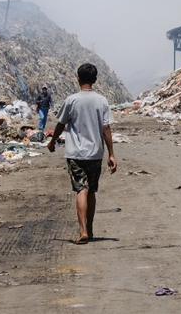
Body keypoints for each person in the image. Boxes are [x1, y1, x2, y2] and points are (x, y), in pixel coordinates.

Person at [46, 63, 117, 245]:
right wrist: (111, 154)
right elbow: (106, 128)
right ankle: (90, 229)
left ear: (78, 79)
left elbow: (61, 124)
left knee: (81, 189)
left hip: (75, 153)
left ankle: (83, 230)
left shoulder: (72, 100)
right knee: (91, 191)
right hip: (95, 153)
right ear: (94, 80)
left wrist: (53, 141)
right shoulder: (101, 100)